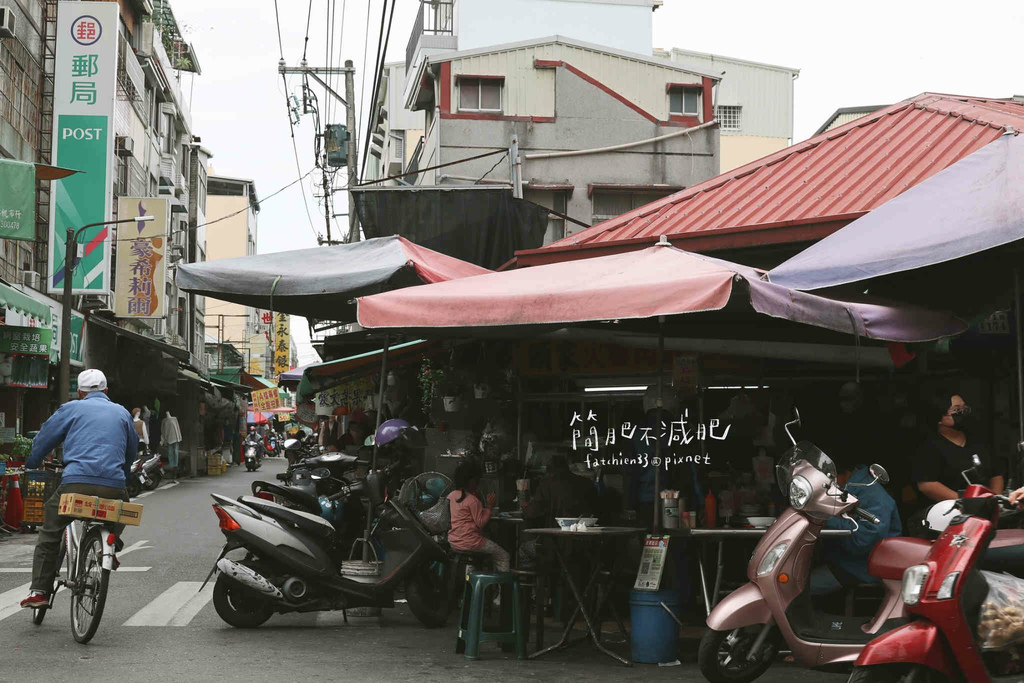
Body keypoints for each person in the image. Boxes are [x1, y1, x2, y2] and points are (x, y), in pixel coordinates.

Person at [20, 369, 138, 608]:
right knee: (122, 506)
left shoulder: (71, 408)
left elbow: (44, 439)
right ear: (106, 390)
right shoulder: (122, 413)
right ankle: (111, 546)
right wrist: (122, 478)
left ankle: (40, 591)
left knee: (50, 531)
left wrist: (31, 463)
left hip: (75, 485)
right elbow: (131, 452)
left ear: (80, 392)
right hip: (112, 486)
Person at [809, 458, 902, 596]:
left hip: (860, 567)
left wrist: (825, 518)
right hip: (841, 560)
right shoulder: (851, 488)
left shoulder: (871, 493)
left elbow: (862, 539)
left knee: (797, 590)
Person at [912, 391, 1004, 506]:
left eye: (964, 407)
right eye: (956, 409)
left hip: (986, 509)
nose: (963, 412)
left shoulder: (978, 440)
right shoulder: (929, 447)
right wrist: (965, 502)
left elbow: (996, 473)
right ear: (939, 417)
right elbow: (927, 485)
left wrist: (995, 501)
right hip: (950, 512)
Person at [447, 459, 509, 572]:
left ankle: (471, 585)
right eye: (478, 481)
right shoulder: (472, 501)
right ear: (471, 482)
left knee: (473, 559)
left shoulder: (451, 496)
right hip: (471, 543)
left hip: (454, 542)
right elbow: (481, 523)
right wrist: (489, 507)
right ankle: (503, 587)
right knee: (503, 556)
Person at [161, 410, 182, 480]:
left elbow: (177, 428)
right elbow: (163, 430)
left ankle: (175, 465)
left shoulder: (174, 419)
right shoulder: (164, 421)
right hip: (169, 438)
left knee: (176, 452)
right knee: (170, 453)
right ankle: (172, 465)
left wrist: (179, 437)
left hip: (175, 437)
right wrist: (163, 439)